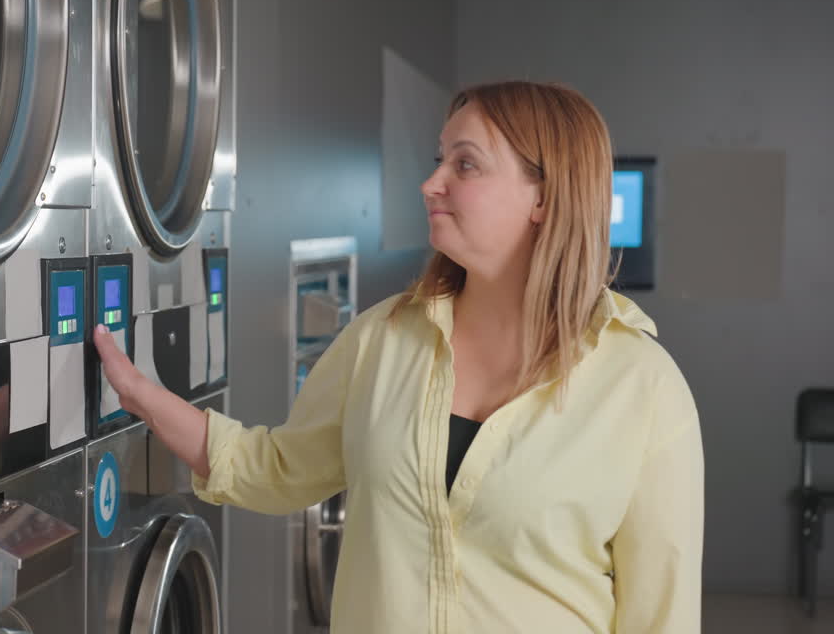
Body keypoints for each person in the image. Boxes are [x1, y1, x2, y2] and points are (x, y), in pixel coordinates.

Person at [93, 81, 704, 633]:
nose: (431, 182)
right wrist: (144, 397)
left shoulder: (643, 389)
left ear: (543, 197)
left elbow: (662, 618)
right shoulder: (381, 342)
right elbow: (276, 468)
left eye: (465, 164)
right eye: (440, 158)